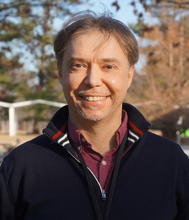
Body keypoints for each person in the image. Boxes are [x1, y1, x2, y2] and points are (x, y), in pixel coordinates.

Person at [1, 11, 189, 220]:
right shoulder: (21, 166)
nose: (92, 80)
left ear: (129, 75)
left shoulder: (171, 162)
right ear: (61, 73)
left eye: (108, 66)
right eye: (78, 65)